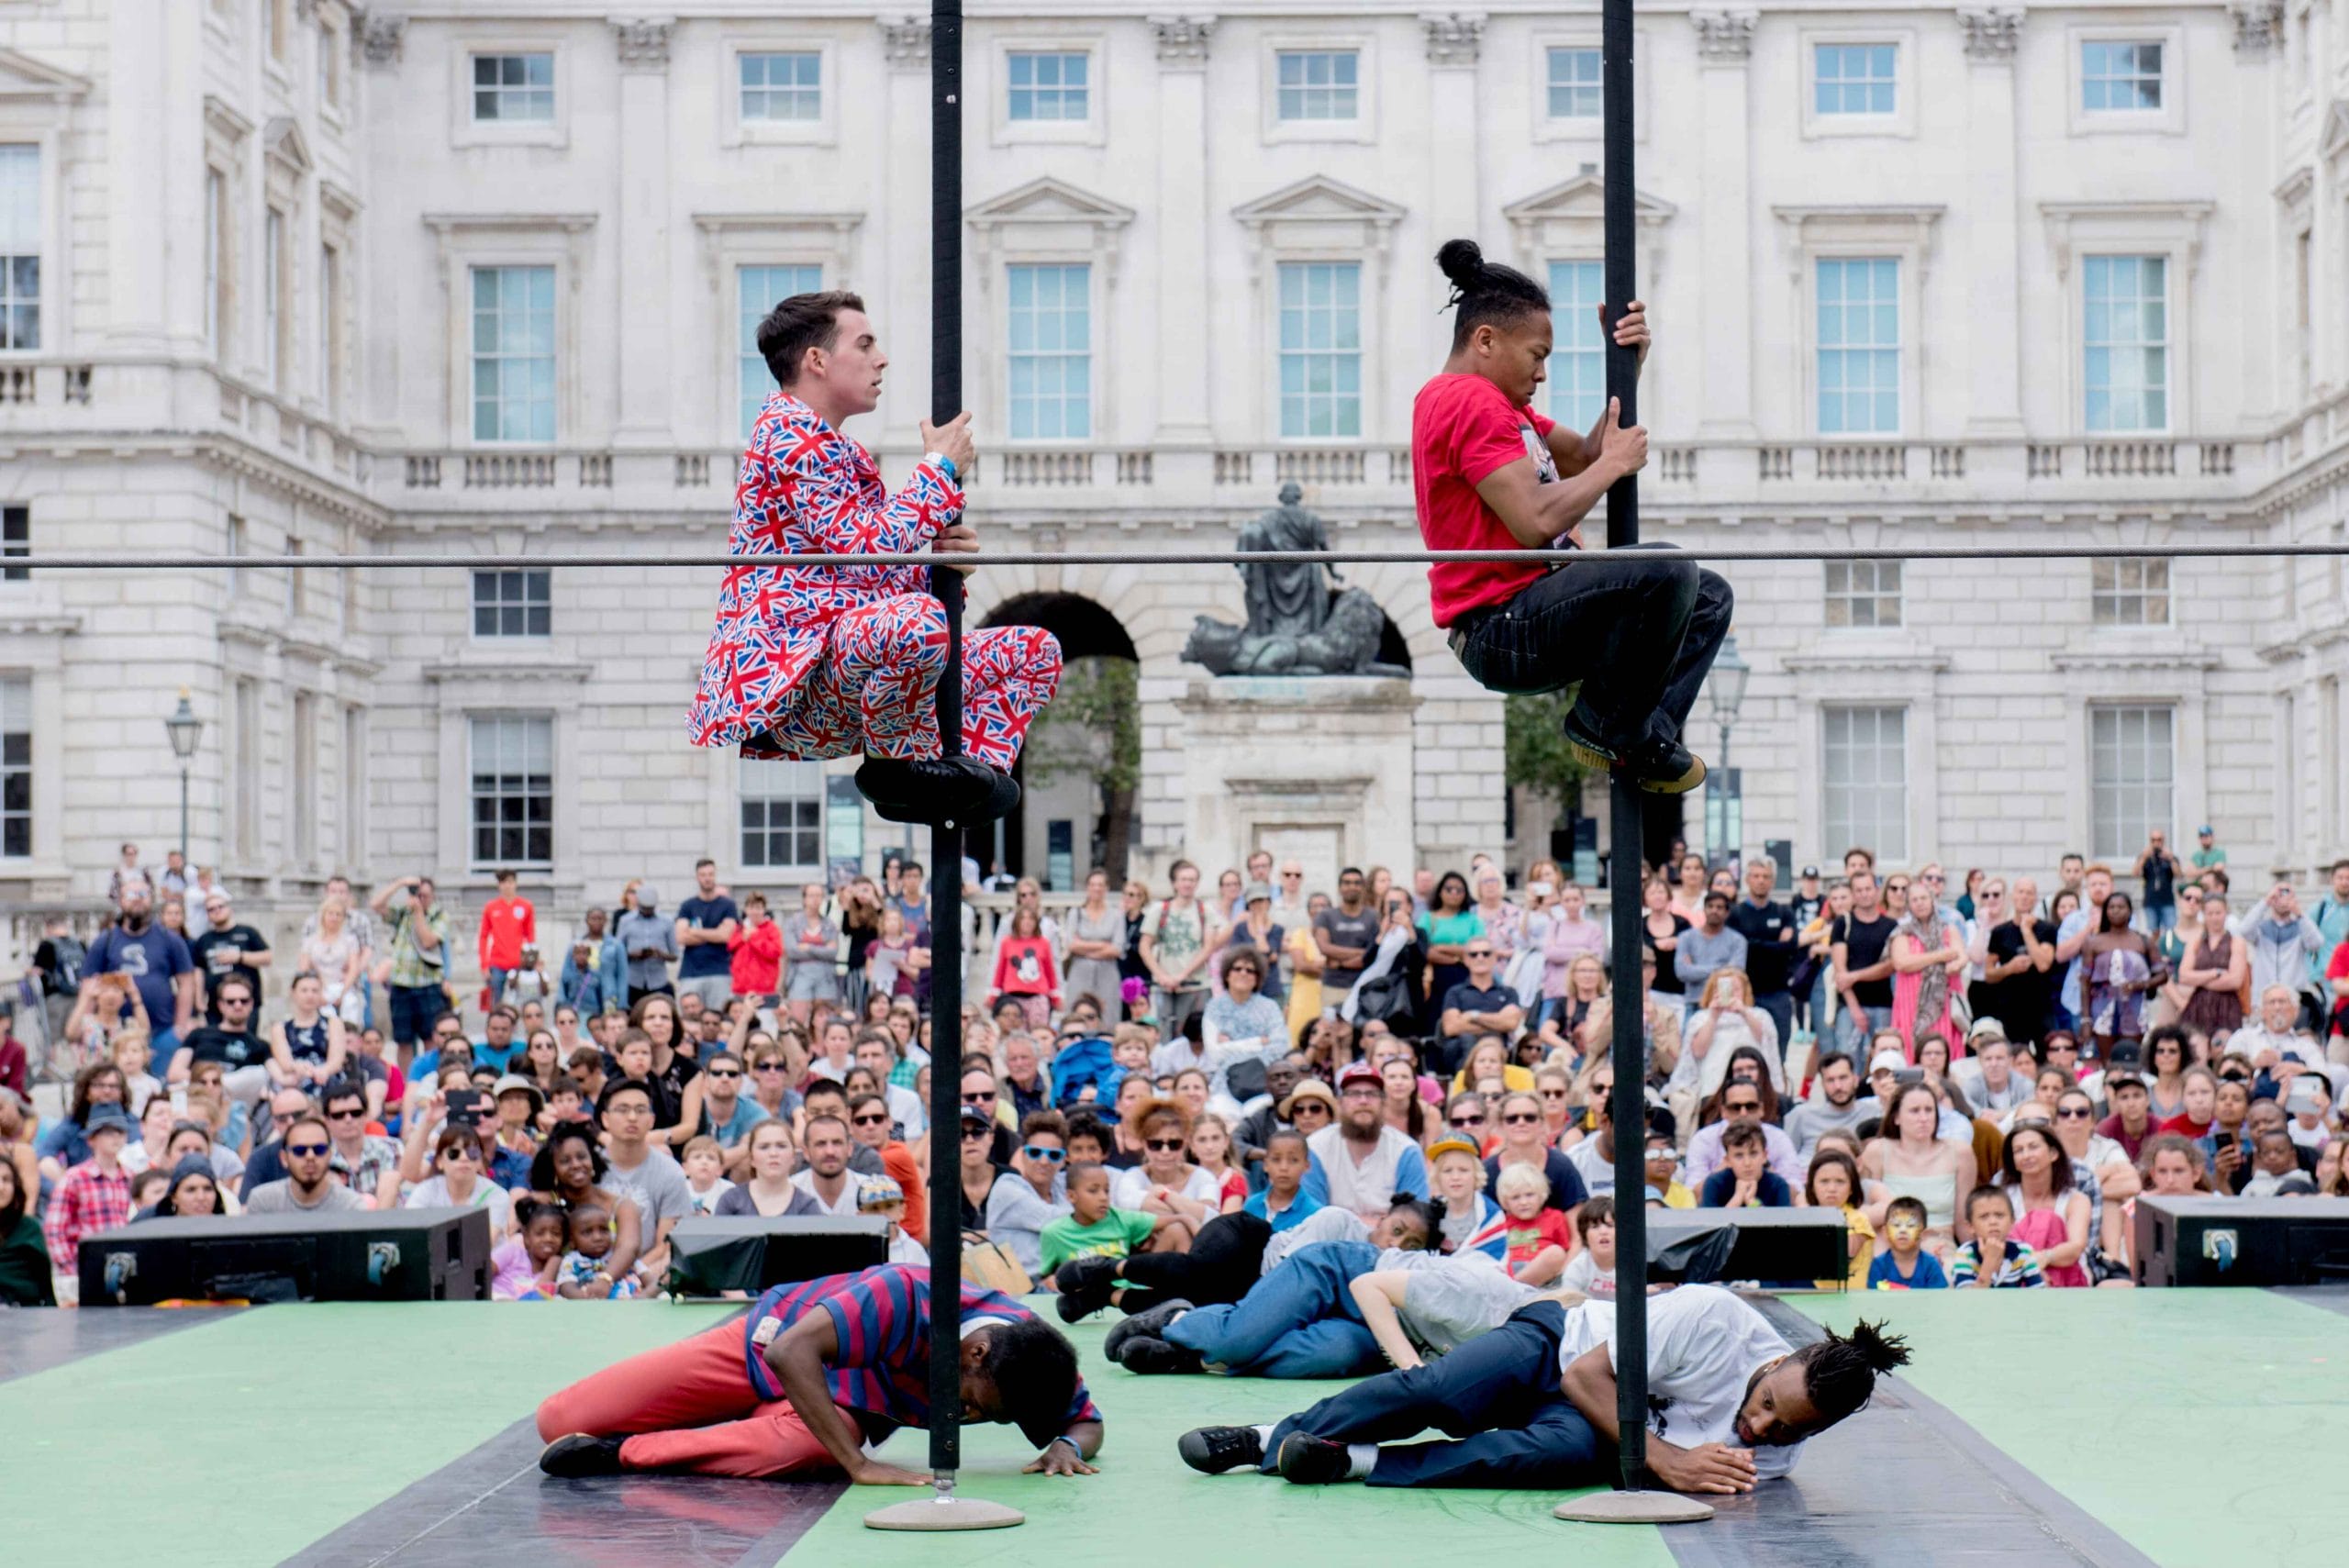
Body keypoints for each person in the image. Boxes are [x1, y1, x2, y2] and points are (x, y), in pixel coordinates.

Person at [687, 289, 1059, 825]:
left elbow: (882, 576)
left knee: (1033, 652)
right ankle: (894, 769)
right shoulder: (787, 436)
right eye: (864, 345)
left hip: (858, 674)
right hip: (804, 691)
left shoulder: (841, 450)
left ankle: (962, 782)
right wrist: (939, 469)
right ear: (816, 360)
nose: (880, 358)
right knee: (918, 624)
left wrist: (940, 567)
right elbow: (869, 553)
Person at [1411, 239, 1722, 795]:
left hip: (1532, 611)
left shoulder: (1504, 407)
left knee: (1707, 597)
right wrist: (1613, 466)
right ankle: (1604, 725)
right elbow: (1534, 520)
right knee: (1668, 570)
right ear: (1486, 340)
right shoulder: (1465, 401)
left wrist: (1627, 367)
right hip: (1502, 626)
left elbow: (1582, 454)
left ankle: (1639, 738)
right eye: (1537, 356)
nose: (1542, 373)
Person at [1180, 1284, 1909, 1493]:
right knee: (1435, 1388)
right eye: (1767, 1408)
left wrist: (1664, 1463)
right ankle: (1269, 1438)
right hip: (1556, 1346)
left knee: (1527, 1460)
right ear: (1779, 1362)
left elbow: (1644, 1467)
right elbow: (1586, 1375)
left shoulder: (1779, 1455)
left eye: (1789, 1433)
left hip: (1588, 1419)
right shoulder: (1715, 1317)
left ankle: (1350, 1460)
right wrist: (1668, 1458)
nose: (1761, 1431)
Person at [538, 1262, 1100, 1479]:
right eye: (975, 1404)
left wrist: (1066, 1446)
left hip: (848, 1403)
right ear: (975, 1352)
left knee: (801, 1452)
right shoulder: (907, 1295)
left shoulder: (1034, 1359)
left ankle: (624, 1453)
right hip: (764, 1348)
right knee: (558, 1418)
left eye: (986, 1419)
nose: (968, 1417)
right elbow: (788, 1354)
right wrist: (857, 1465)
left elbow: (1086, 1421)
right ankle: (730, 1412)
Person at [245, 1113, 368, 1217]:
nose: (310, 1157)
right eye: (300, 1150)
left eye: (319, 1149)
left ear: (330, 1155)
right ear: (284, 1158)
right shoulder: (262, 1201)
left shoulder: (350, 1206)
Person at [1949, 1187, 2045, 1287]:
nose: (1993, 1222)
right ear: (1971, 1226)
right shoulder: (1965, 1254)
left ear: (2012, 1221)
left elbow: (2039, 1293)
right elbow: (1967, 1300)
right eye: (1984, 1217)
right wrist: (1989, 1262)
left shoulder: (2024, 1252)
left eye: (1999, 1215)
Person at [0, 1158, 55, 1306]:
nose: (1, 1187)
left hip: (23, 1313)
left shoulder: (29, 1227)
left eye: (6, 1180)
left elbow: (45, 1282)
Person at [1864, 1196, 1949, 1289]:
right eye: (1896, 1225)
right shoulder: (1879, 1265)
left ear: (1923, 1234)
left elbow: (1937, 1299)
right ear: (1885, 1232)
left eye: (1911, 1225)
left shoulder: (1931, 1265)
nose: (1903, 1230)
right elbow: (1873, 1299)